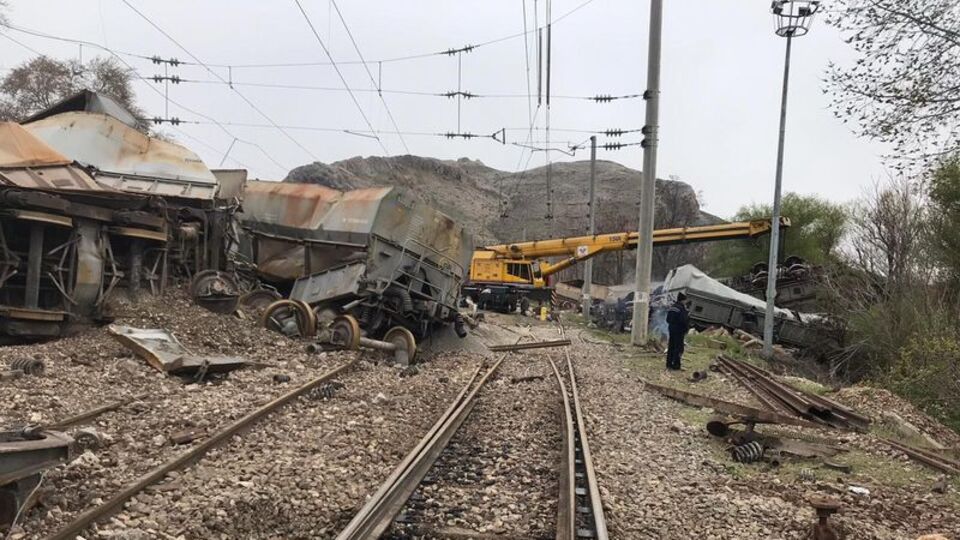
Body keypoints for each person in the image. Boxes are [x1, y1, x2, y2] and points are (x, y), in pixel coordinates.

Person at [665, 292, 690, 370]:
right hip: (679, 331)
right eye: (685, 300)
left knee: (671, 347)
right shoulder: (681, 309)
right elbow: (684, 321)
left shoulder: (672, 307)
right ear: (683, 300)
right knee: (678, 348)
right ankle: (676, 365)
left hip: (671, 329)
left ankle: (669, 364)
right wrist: (686, 329)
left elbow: (667, 319)